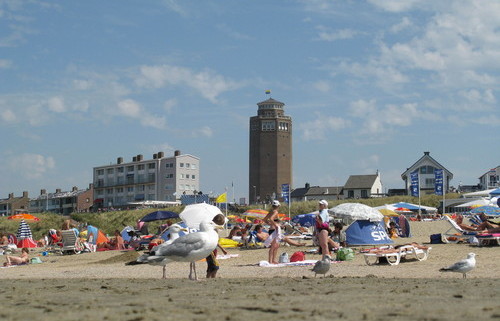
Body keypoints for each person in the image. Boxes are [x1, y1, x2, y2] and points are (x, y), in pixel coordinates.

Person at [206, 214, 228, 278]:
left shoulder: (214, 228)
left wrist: (222, 249)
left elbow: (216, 241)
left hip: (213, 248)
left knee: (210, 266)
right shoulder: (211, 228)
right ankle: (212, 278)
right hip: (210, 249)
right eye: (220, 223)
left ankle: (209, 278)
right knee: (215, 266)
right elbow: (213, 240)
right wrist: (222, 249)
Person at [263, 200, 283, 264]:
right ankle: (271, 261)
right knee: (274, 246)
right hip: (275, 230)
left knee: (276, 245)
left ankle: (273, 260)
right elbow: (271, 219)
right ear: (278, 206)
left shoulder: (271, 212)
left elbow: (264, 219)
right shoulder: (275, 212)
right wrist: (275, 225)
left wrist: (270, 224)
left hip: (271, 229)